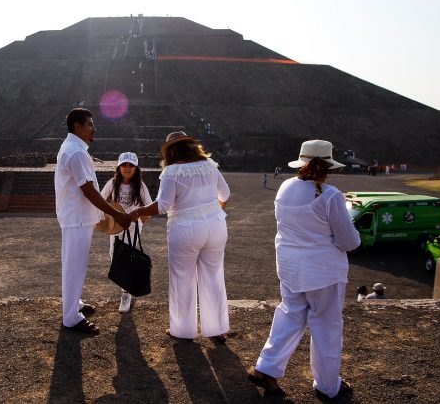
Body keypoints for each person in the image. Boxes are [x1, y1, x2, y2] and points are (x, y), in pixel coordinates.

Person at [247, 140, 360, 398]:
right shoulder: (330, 195)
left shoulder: (285, 187)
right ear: (328, 166)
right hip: (323, 272)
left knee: (290, 314)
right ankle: (328, 385)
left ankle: (266, 367)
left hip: (290, 267)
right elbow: (350, 241)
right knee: (326, 325)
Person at [129, 131, 231, 342]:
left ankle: (183, 330)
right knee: (213, 277)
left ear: (171, 151)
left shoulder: (172, 172)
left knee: (182, 278)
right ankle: (217, 328)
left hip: (185, 228)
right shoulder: (210, 165)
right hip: (216, 225)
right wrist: (211, 212)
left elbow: (163, 206)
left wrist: (138, 211)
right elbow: (225, 194)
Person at [55, 108, 131, 335]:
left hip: (77, 217)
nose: (93, 128)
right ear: (77, 126)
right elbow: (88, 190)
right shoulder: (76, 152)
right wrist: (115, 214)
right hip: (77, 218)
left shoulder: (73, 148)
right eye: (89, 124)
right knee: (74, 267)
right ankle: (70, 318)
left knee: (75, 265)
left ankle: (74, 304)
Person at [101, 152, 153, 313]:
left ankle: (126, 292)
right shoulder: (112, 183)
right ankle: (125, 286)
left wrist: (145, 214)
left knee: (128, 257)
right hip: (116, 225)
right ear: (119, 167)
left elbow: (150, 204)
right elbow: (101, 199)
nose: (127, 168)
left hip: (133, 226)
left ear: (136, 168)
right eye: (124, 165)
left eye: (131, 165)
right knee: (113, 254)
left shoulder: (141, 186)